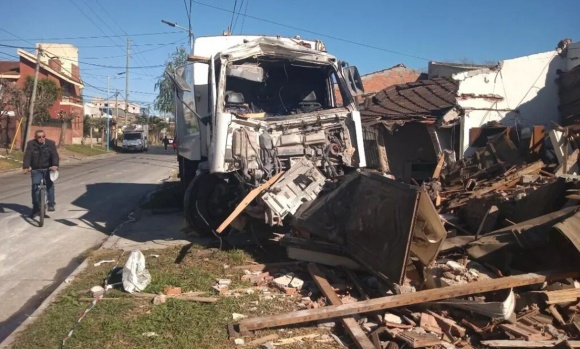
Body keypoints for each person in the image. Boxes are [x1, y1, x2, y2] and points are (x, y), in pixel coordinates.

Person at [22, 130, 59, 218]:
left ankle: (51, 204)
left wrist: (55, 165)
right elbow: (27, 156)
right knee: (35, 188)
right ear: (35, 137)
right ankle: (35, 209)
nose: (42, 138)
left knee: (50, 185)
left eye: (43, 136)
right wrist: (26, 167)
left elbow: (55, 155)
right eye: (39, 137)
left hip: (48, 168)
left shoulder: (51, 143)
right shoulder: (31, 144)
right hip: (36, 169)